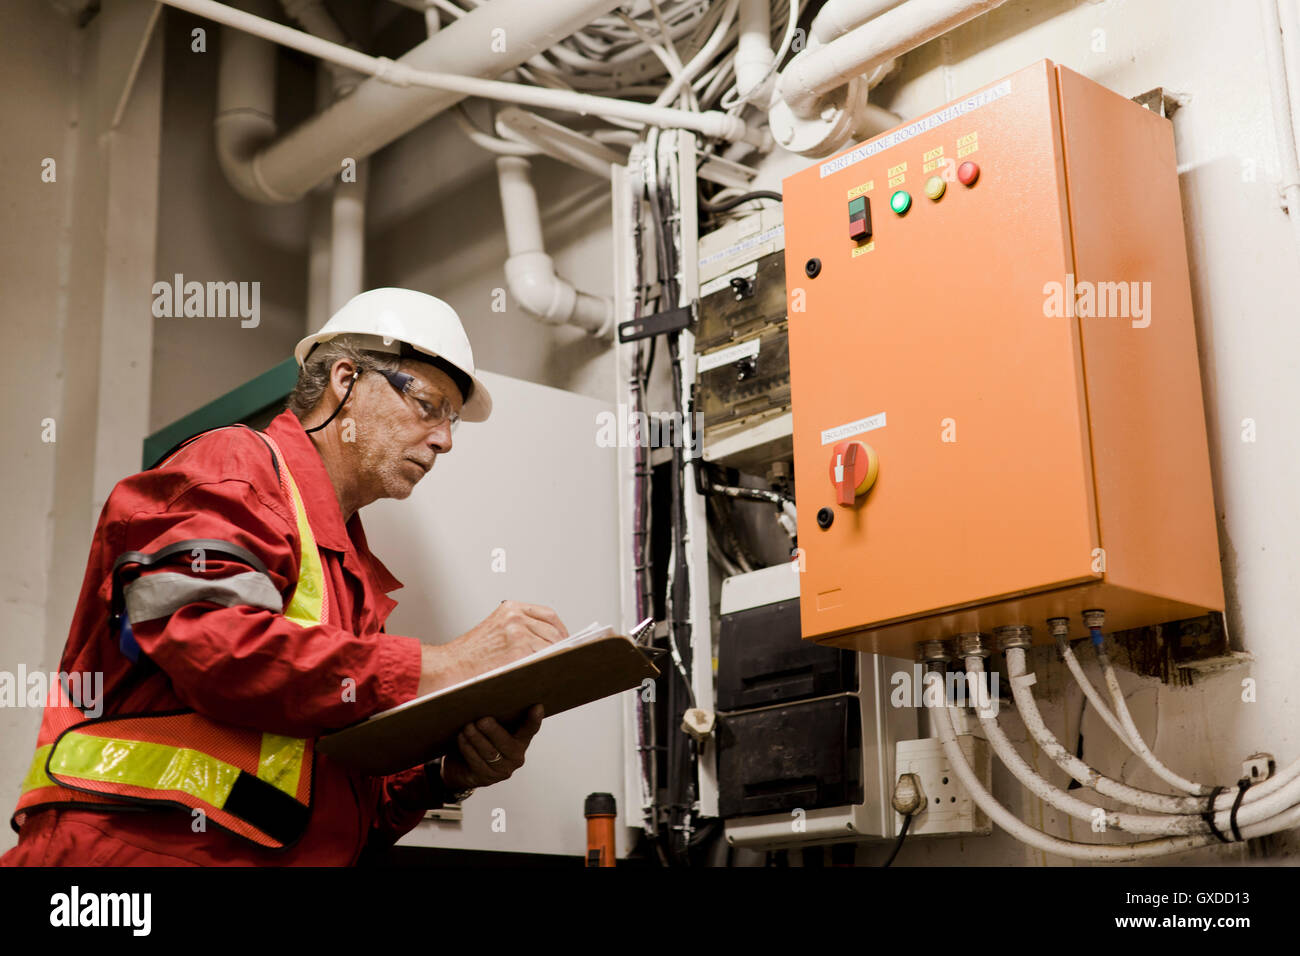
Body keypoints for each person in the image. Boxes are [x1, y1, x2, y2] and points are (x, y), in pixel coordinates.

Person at [2, 287, 567, 866]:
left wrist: (444, 775)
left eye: (452, 421)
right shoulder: (232, 468)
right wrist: (445, 663)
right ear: (345, 380)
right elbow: (216, 651)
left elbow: (328, 797)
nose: (445, 439)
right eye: (428, 405)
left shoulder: (346, 571)